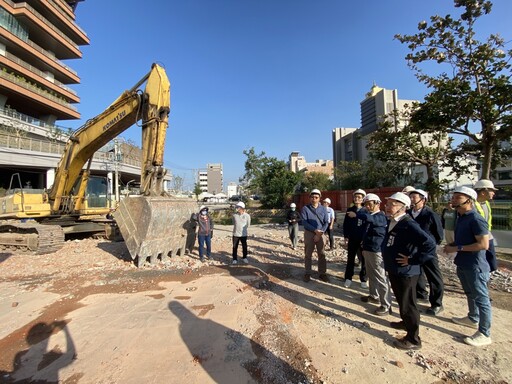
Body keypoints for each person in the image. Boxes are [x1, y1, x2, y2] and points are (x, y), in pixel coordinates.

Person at [382, 192, 436, 350]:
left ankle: (413, 339)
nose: (388, 207)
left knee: (408, 304)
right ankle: (405, 323)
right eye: (388, 203)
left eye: (392, 204)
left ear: (402, 207)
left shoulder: (408, 223)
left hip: (406, 271)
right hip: (395, 269)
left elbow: (429, 245)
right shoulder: (393, 221)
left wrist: (412, 260)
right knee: (401, 301)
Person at [443, 186, 492, 347]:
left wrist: (457, 248)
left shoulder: (476, 219)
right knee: (470, 293)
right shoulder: (461, 217)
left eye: (458, 197)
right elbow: (463, 239)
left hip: (475, 265)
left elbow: (483, 244)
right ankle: (472, 318)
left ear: (469, 200)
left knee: (481, 299)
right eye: (454, 196)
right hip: (463, 263)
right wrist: (453, 245)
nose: (454, 199)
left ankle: (485, 333)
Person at [351, 193, 392, 316]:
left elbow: (371, 220)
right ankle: (374, 295)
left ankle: (386, 304)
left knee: (380, 277)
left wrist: (357, 214)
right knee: (370, 273)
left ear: (377, 204)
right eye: (366, 204)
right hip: (368, 249)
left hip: (376, 250)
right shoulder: (370, 215)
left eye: (369, 204)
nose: (368, 206)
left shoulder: (380, 216)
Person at [407, 189, 445, 316]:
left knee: (433, 276)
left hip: (427, 251)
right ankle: (420, 294)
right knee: (416, 274)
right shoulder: (408, 214)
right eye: (410, 197)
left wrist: (430, 246)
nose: (411, 199)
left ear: (423, 200)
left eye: (414, 197)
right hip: (413, 249)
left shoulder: (430, 215)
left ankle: (437, 304)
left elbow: (439, 235)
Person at [300, 189, 330, 282]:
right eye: (312, 197)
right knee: (308, 254)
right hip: (309, 232)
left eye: (316, 197)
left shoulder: (323, 209)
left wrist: (320, 233)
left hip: (321, 233)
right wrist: (314, 230)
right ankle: (307, 272)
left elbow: (326, 222)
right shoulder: (305, 208)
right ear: (309, 198)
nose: (314, 199)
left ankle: (322, 273)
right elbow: (304, 222)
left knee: (321, 254)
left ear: (320, 198)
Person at [342, 189, 368, 289]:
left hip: (362, 239)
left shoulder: (366, 211)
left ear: (363, 199)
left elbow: (367, 225)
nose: (357, 199)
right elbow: (346, 224)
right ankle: (348, 278)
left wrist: (365, 238)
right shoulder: (350, 210)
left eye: (359, 197)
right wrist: (346, 236)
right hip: (352, 238)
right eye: (355, 197)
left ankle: (364, 279)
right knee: (350, 259)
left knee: (364, 260)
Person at [474, 179, 498, 272]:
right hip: (478, 239)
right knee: (481, 263)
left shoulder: (486, 203)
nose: (493, 193)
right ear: (483, 192)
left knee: (491, 263)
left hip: (488, 236)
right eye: (492, 191)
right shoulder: (472, 205)